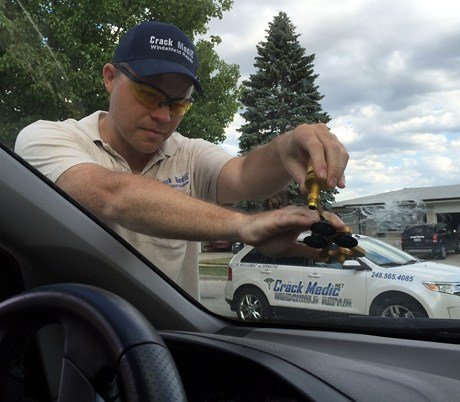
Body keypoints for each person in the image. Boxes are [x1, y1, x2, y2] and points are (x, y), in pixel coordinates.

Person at [15, 21, 349, 299]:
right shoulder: (47, 138)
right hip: (71, 347)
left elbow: (244, 172)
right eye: (149, 94)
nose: (163, 116)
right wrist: (244, 225)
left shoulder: (189, 153)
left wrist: (284, 148)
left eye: (178, 105)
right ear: (109, 77)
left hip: (170, 342)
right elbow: (109, 194)